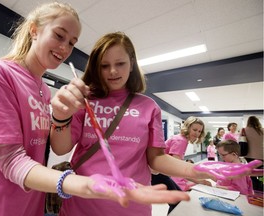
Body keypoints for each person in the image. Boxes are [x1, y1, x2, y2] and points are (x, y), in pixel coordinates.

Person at [0, 3, 190, 216]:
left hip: (32, 201)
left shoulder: (42, 89)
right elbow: (12, 160)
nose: (65, 48)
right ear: (34, 30)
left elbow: (37, 152)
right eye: (59, 35)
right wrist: (84, 185)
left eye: (72, 42)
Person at [51, 39, 222, 216]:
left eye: (120, 63)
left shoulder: (149, 107)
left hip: (131, 207)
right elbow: (60, 147)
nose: (113, 71)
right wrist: (61, 116)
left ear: (132, 63)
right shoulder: (84, 101)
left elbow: (156, 159)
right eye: (104, 65)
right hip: (81, 204)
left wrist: (193, 171)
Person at [163, 116, 212, 192]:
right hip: (156, 172)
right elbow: (177, 168)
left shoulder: (181, 139)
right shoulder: (180, 141)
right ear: (187, 128)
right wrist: (199, 180)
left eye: (199, 131)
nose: (197, 133)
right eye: (194, 130)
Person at [243, 116, 263, 191]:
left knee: (252, 173)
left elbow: (240, 140)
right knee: (260, 172)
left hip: (249, 155)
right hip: (261, 155)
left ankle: (254, 189)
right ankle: (261, 188)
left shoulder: (244, 130)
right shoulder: (262, 130)